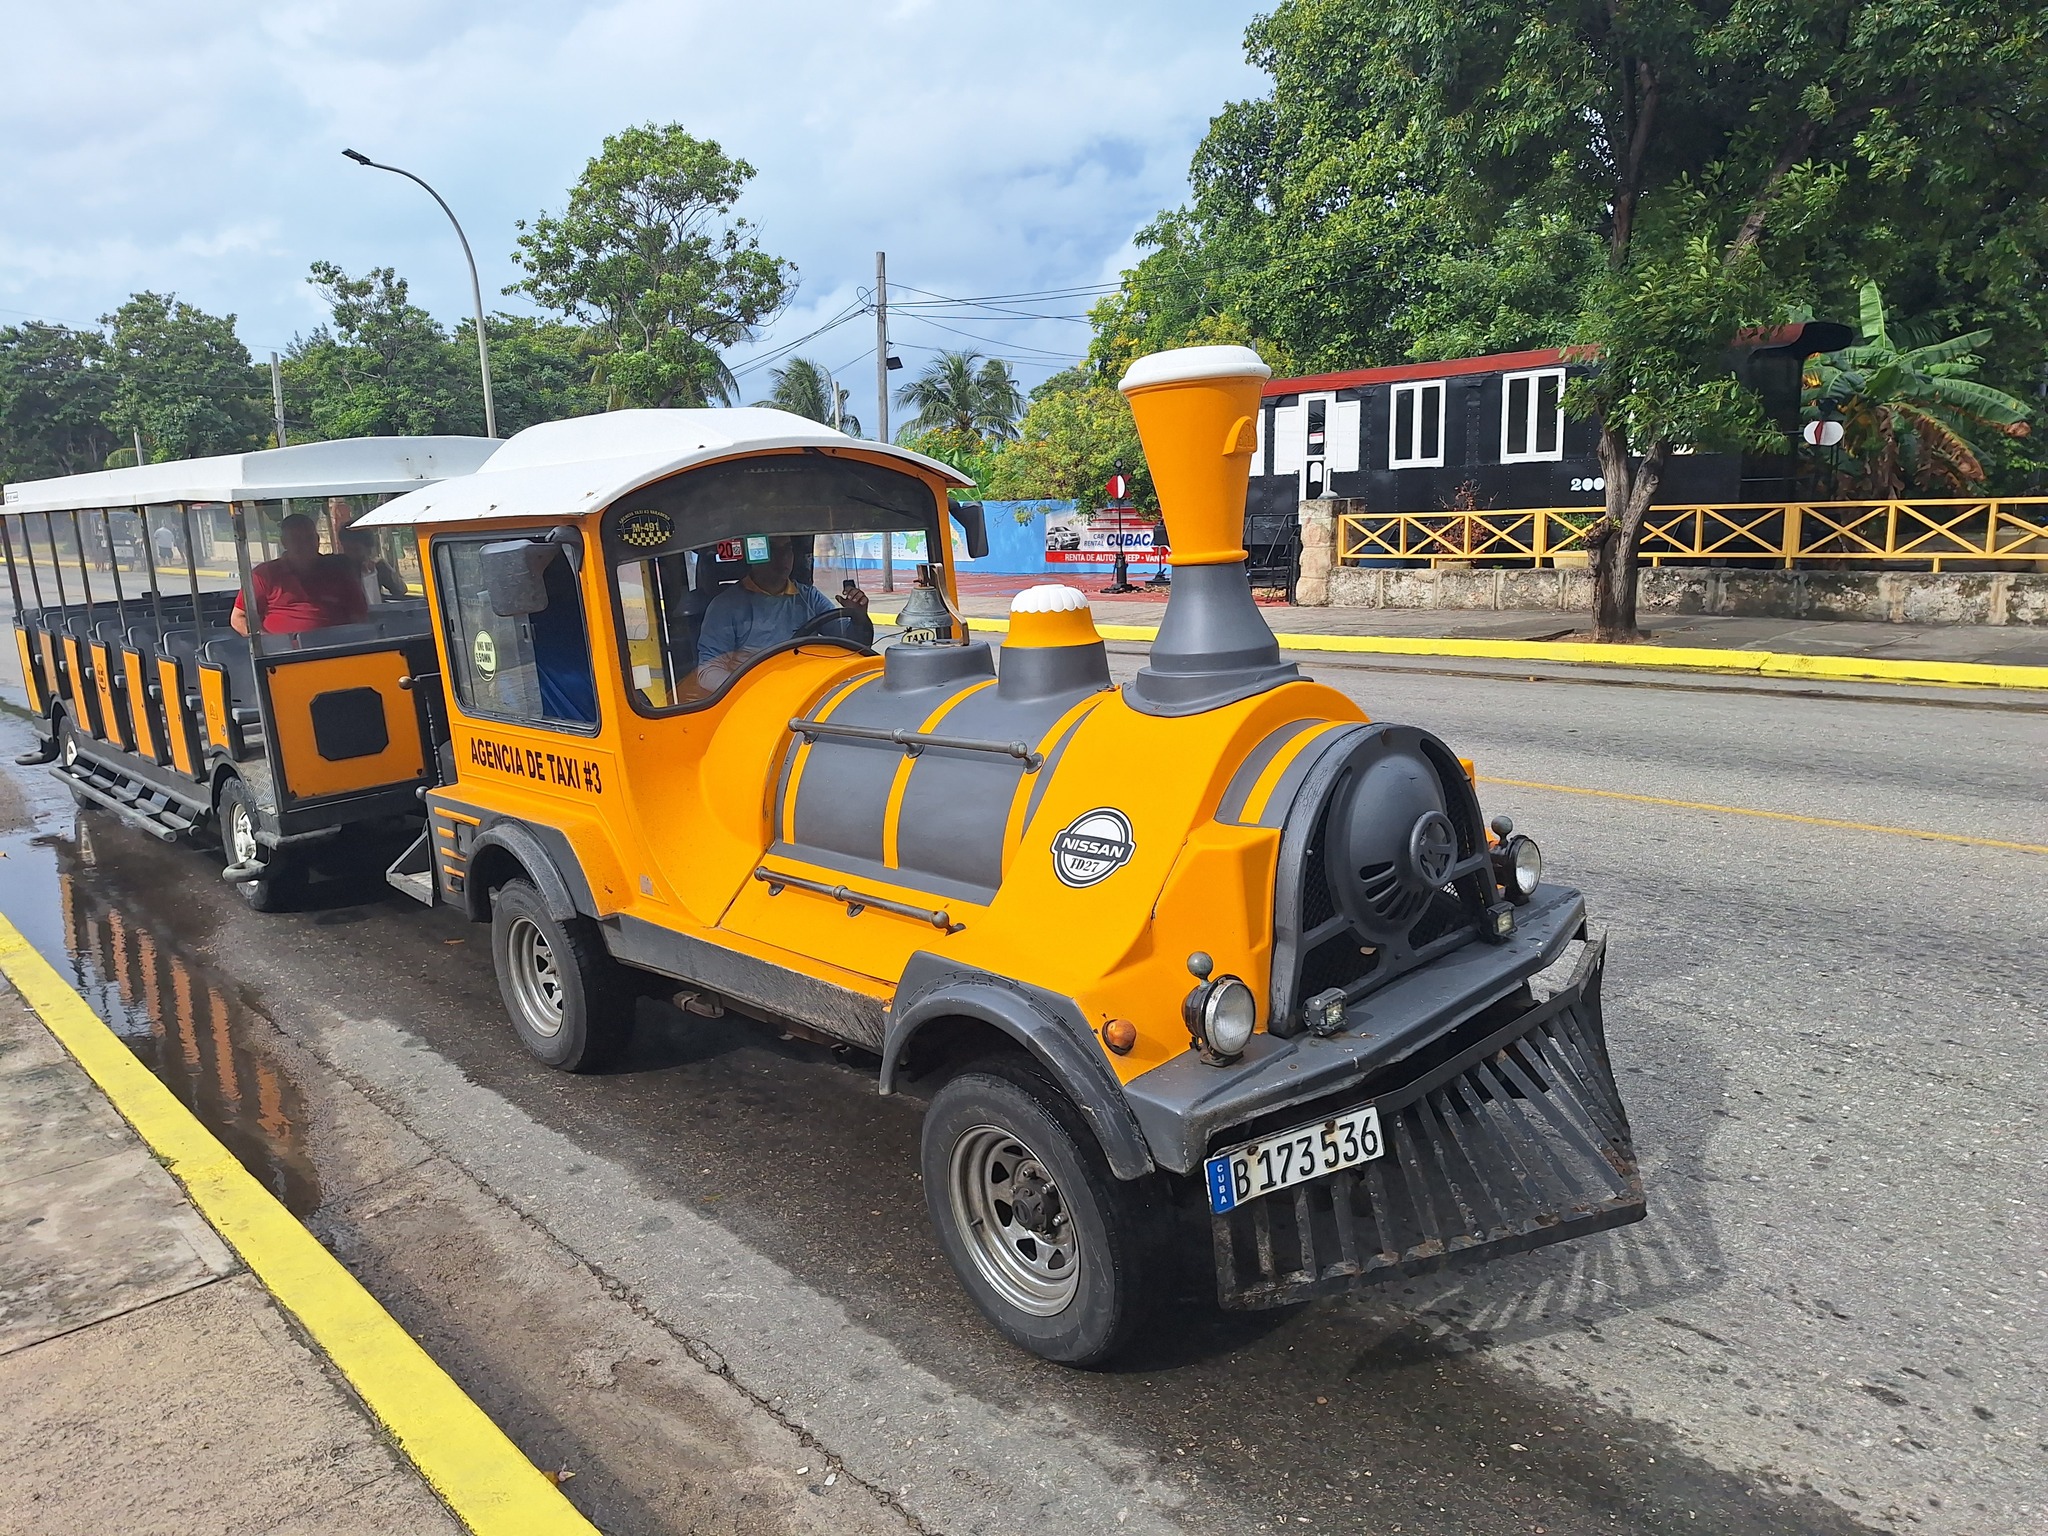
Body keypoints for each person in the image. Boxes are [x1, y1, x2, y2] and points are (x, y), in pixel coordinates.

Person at [695, 535, 868, 677]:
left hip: (809, 687)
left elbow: (850, 643)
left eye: (788, 549)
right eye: (772, 550)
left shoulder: (808, 596)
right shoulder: (726, 606)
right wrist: (752, 692)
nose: (783, 557)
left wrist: (858, 617)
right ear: (755, 554)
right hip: (760, 696)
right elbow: (709, 670)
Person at [230, 513, 368, 635]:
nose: (304, 544)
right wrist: (267, 642)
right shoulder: (264, 574)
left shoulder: (339, 571)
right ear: (284, 542)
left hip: (335, 653)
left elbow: (359, 616)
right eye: (296, 539)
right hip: (282, 657)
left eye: (309, 538)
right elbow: (238, 617)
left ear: (317, 539)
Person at [340, 526, 409, 605]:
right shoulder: (340, 568)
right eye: (347, 549)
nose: (351, 554)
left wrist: (384, 568)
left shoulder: (378, 567)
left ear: (369, 550)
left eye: (356, 550)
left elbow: (401, 589)